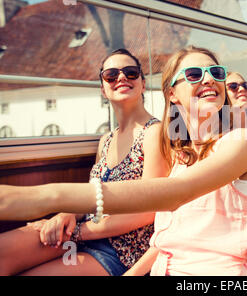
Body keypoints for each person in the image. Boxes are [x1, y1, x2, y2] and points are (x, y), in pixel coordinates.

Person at [0, 46, 247, 276]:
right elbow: (166, 241)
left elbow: (175, 194)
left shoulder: (243, 142)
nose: (209, 80)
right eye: (195, 74)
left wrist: (51, 197)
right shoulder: (180, 156)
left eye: (216, 73)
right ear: (172, 94)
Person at [0, 48, 169, 276]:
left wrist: (79, 231)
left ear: (142, 83)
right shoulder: (106, 140)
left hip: (119, 250)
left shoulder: (155, 133)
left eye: (130, 73)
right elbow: (92, 194)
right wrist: (67, 215)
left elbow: (149, 210)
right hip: (83, 234)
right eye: (111, 75)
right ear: (102, 88)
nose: (121, 78)